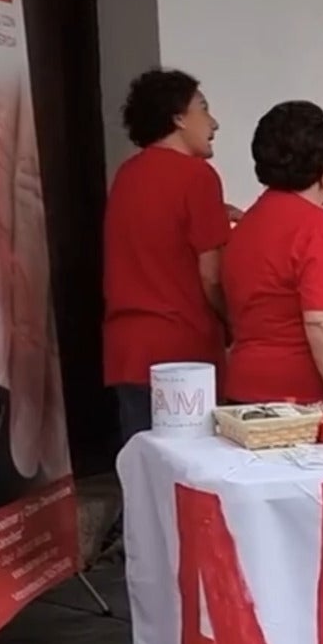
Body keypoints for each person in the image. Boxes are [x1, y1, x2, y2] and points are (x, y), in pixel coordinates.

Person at [221, 101, 323, 404]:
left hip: (246, 390)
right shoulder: (316, 228)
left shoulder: (249, 223)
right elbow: (322, 319)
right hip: (304, 403)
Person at [102, 68, 231, 439]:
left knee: (144, 474)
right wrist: (237, 325)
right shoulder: (198, 177)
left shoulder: (127, 174)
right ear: (178, 117)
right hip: (184, 351)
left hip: (129, 349)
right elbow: (211, 276)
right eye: (203, 108)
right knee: (189, 479)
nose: (213, 122)